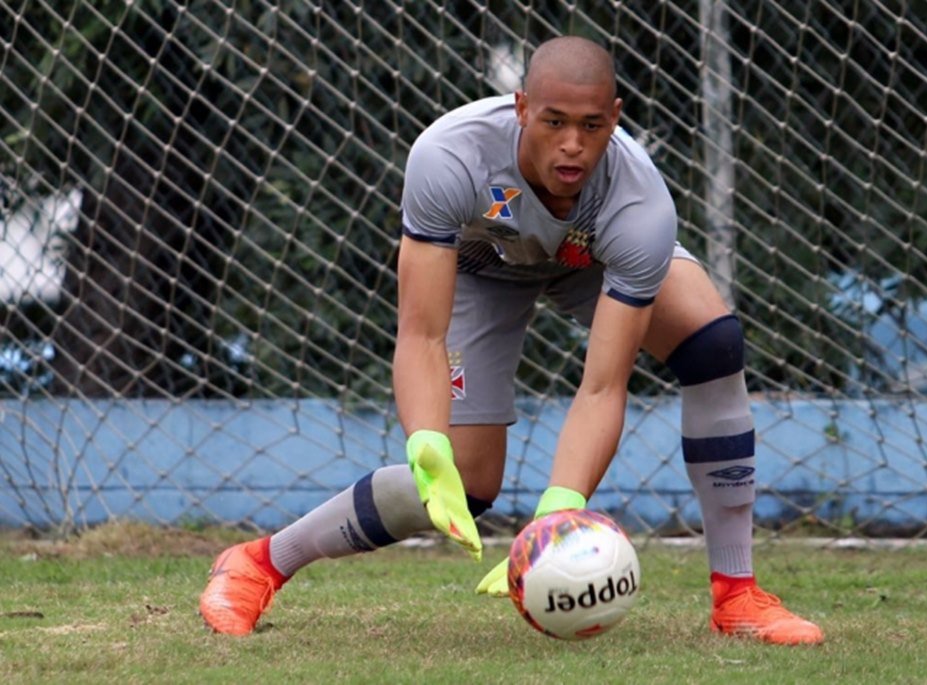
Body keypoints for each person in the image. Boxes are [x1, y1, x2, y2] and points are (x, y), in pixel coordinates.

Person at [199, 35, 824, 645]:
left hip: (589, 264)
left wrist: (560, 506)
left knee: (713, 345)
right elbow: (421, 333)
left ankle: (737, 594)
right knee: (464, 485)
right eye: (553, 121)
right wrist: (425, 442)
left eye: (591, 126)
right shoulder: (450, 154)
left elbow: (603, 384)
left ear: (615, 119)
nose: (572, 146)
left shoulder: (640, 209)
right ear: (521, 107)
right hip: (479, 267)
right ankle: (258, 563)